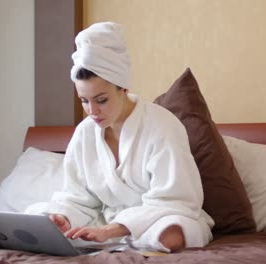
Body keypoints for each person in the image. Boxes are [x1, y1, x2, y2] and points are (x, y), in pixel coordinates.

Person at [45, 22, 214, 253]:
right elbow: (78, 197)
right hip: (104, 221)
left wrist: (112, 230)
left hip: (158, 218)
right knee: (38, 218)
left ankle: (112, 239)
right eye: (84, 101)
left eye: (101, 100)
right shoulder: (85, 133)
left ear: (123, 88)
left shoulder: (162, 125)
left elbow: (176, 199)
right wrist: (64, 217)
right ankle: (100, 238)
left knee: (172, 233)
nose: (92, 111)